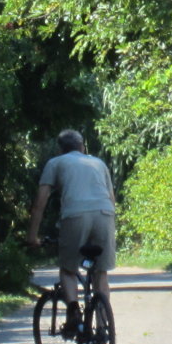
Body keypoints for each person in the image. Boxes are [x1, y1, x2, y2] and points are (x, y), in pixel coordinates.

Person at [27, 130, 116, 333]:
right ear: (82, 147)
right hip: (105, 213)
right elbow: (111, 198)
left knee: (68, 269)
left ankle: (74, 315)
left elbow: (40, 203)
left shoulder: (55, 163)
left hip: (76, 214)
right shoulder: (99, 163)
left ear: (60, 149)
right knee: (101, 274)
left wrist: (32, 236)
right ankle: (102, 328)